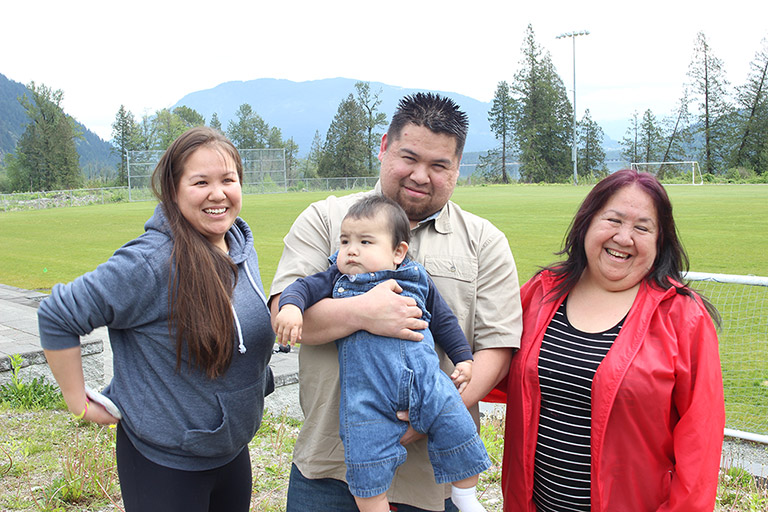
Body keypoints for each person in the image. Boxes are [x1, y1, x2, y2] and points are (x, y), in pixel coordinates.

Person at [269, 92, 523, 512]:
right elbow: (286, 315)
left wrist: (433, 414)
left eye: (439, 165)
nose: (421, 175)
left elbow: (496, 347)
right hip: (330, 464)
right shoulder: (326, 220)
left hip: (433, 475)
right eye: (409, 157)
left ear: (457, 168)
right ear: (384, 146)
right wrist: (363, 312)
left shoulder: (485, 242)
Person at [37, 126, 275, 512]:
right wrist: (77, 401)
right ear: (173, 189)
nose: (218, 193)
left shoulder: (238, 245)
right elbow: (58, 314)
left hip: (230, 450)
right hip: (165, 463)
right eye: (200, 182)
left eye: (228, 180)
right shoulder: (150, 263)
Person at [495, 169, 725, 511]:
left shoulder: (683, 318)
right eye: (613, 220)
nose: (624, 237)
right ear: (587, 222)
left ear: (661, 240)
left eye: (642, 228)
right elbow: (489, 361)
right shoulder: (542, 293)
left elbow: (700, 442)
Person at [274, 195, 491, 512]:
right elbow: (301, 288)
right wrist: (291, 308)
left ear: (398, 252)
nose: (351, 250)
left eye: (365, 241)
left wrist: (464, 359)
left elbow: (444, 321)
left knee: (456, 423)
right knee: (365, 457)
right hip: (366, 397)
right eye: (345, 240)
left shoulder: (416, 278)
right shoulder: (338, 278)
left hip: (425, 383)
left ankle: (465, 496)